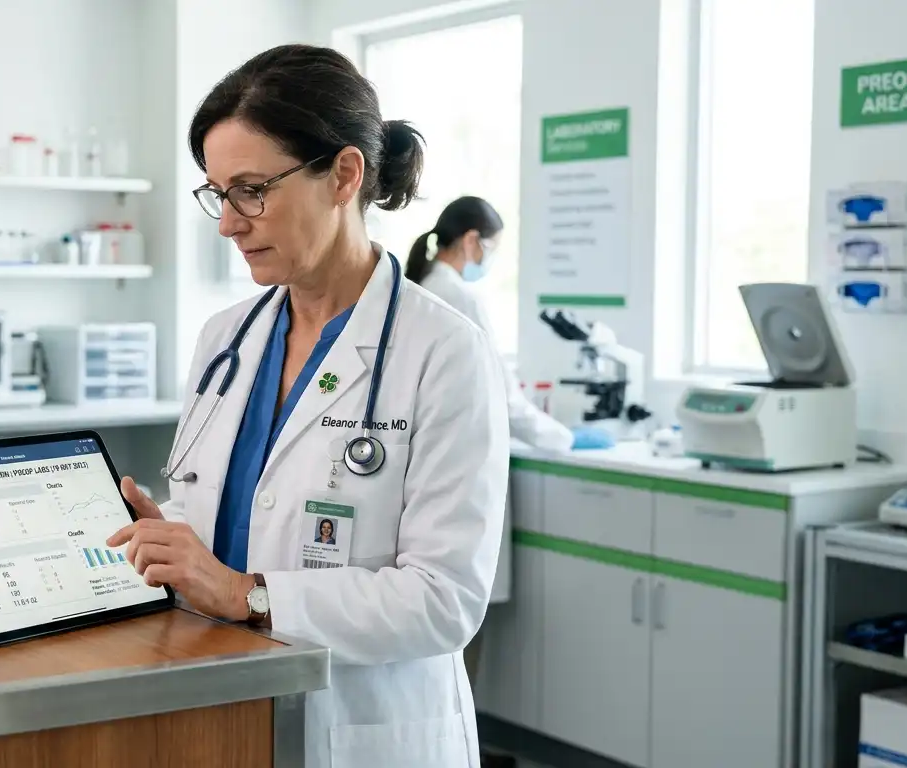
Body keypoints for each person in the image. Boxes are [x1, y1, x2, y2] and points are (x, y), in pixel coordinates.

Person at [106, 43, 510, 768]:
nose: (228, 223)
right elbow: (240, 517)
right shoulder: (226, 338)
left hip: (360, 731)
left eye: (251, 190)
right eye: (217, 193)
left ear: (344, 175)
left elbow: (443, 600)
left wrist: (248, 595)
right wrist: (163, 533)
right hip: (216, 715)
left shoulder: (443, 351)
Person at [406, 196, 575, 453]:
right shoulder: (459, 297)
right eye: (491, 247)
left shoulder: (420, 287)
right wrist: (563, 438)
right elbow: (502, 395)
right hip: (459, 450)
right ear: (471, 240)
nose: (490, 258)